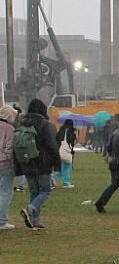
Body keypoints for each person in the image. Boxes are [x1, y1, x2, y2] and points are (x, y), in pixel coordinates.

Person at [14, 98, 60, 230]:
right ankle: (31, 208)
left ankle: (35, 221)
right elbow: (52, 145)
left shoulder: (21, 124)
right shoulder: (45, 125)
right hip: (42, 163)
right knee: (45, 191)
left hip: (26, 162)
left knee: (34, 191)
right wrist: (56, 164)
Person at [0, 104, 15, 230]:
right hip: (5, 163)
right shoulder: (9, 128)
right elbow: (9, 147)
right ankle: (2, 220)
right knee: (5, 192)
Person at [54, 118, 78, 189]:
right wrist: (75, 135)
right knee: (66, 168)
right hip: (66, 152)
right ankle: (66, 182)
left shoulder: (61, 130)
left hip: (60, 151)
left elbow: (57, 139)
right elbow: (71, 141)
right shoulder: (70, 131)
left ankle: (52, 178)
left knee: (60, 168)